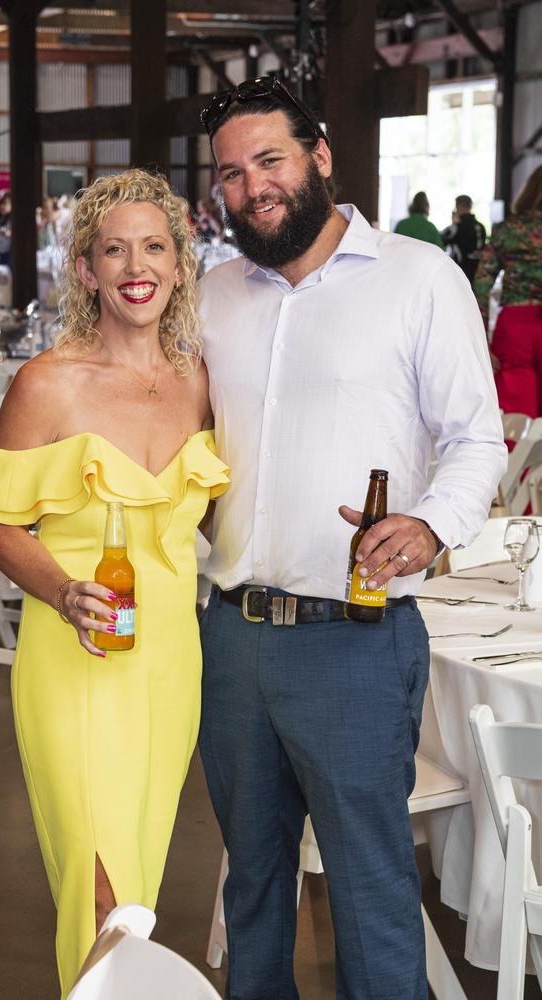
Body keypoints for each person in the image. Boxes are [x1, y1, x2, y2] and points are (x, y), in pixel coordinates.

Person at [197, 75, 507, 1000]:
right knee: (251, 887)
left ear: (320, 157)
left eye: (270, 161)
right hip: (232, 636)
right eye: (230, 173)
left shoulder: (420, 279)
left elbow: (476, 440)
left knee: (371, 896)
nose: (251, 188)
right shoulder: (212, 296)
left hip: (355, 642)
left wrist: (431, 524)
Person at [0, 169, 228, 998]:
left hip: (170, 661)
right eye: (114, 250)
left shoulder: (201, 380)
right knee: (98, 879)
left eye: (154, 247)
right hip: (75, 656)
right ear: (86, 270)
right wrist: (60, 591)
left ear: (181, 265)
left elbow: (215, 523)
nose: (135, 265)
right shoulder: (48, 382)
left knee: (138, 882)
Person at [474, 164, 542, 417]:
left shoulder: (507, 230)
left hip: (515, 327)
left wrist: (481, 337)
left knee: (517, 415)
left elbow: (482, 283)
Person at [441, 194, 487, 283]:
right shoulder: (481, 227)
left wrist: (453, 223)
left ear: (458, 206)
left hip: (461, 272)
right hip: (478, 272)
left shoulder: (456, 228)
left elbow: (441, 241)